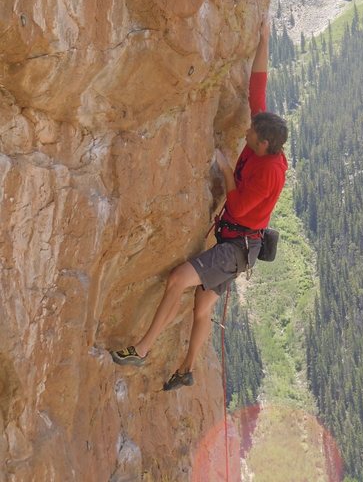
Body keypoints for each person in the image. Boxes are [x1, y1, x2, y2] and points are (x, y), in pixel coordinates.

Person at [110, 21, 288, 391]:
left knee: (177, 280)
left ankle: (141, 349)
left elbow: (238, 207)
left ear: (266, 145)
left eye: (252, 134)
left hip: (236, 247)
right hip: (239, 246)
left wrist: (224, 167)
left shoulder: (270, 173)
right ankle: (186, 369)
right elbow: (258, 87)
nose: (246, 131)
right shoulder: (265, 139)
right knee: (202, 307)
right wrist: (263, 39)